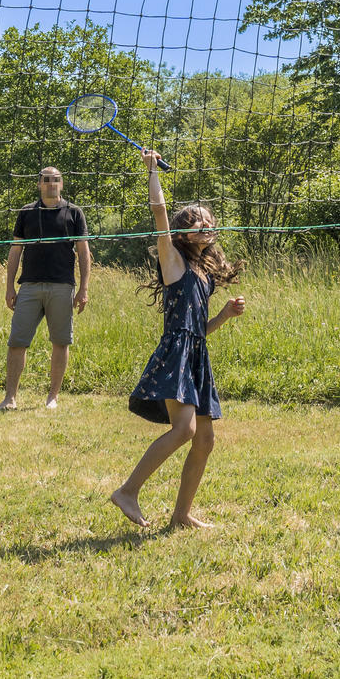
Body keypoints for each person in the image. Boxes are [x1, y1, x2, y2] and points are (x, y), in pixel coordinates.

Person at [109, 149, 246, 529]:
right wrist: (152, 170)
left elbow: (198, 330)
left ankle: (181, 515)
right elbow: (158, 211)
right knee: (184, 430)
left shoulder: (205, 274)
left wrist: (224, 315)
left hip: (196, 355)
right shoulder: (173, 261)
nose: (205, 224)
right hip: (176, 355)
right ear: (182, 232)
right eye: (196, 221)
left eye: (209, 220)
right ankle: (127, 491)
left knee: (205, 440)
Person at [0, 167, 91, 411]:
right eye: (46, 180)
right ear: (39, 184)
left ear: (62, 184)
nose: (51, 184)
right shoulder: (27, 212)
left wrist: (84, 288)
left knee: (60, 342)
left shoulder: (74, 212)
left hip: (62, 286)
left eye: (56, 180)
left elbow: (84, 252)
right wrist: (9, 287)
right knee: (17, 342)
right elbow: (15, 251)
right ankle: (10, 399)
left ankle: (52, 398)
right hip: (29, 285)